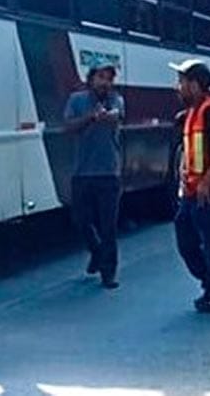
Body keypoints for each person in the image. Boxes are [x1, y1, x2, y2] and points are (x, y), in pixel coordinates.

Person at [169, 59, 210, 314]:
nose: (178, 87)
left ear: (194, 85)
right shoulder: (190, 114)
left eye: (182, 82)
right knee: (185, 238)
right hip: (192, 192)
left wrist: (207, 182)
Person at [64, 64, 125, 289]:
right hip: (82, 171)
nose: (105, 83)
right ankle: (96, 251)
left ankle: (109, 273)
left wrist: (105, 116)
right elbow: (68, 126)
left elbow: (116, 117)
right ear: (91, 79)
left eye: (109, 79)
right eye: (101, 77)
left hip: (108, 172)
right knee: (80, 219)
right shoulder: (77, 100)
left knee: (108, 225)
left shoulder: (115, 100)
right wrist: (91, 117)